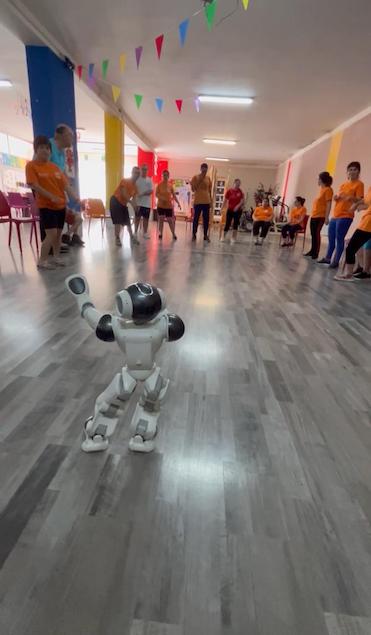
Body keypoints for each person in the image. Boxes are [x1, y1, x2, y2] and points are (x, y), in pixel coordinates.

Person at [26, 135, 80, 270]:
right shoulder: (31, 166)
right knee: (51, 235)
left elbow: (66, 186)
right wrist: (51, 196)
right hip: (46, 206)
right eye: (41, 148)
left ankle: (56, 258)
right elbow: (34, 186)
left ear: (50, 151)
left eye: (47, 148)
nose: (45, 151)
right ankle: (42, 261)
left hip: (60, 206)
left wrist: (76, 198)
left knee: (58, 235)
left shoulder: (55, 168)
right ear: (36, 150)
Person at [318, 162, 364, 268]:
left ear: (358, 172)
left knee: (339, 238)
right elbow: (340, 197)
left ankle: (336, 261)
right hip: (336, 214)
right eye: (350, 169)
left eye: (355, 169)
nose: (352, 171)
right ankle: (328, 258)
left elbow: (360, 200)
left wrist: (351, 198)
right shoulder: (344, 184)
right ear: (347, 172)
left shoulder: (359, 184)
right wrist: (336, 198)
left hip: (346, 215)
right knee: (331, 237)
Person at [334, 187, 371, 281]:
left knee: (351, 248)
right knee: (353, 247)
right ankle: (358, 271)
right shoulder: (370, 189)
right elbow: (366, 203)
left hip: (368, 224)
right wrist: (357, 205)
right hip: (366, 222)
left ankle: (348, 275)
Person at [304, 172, 333, 260]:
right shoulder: (321, 189)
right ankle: (312, 250)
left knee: (316, 234)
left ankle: (316, 253)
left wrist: (327, 217)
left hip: (320, 216)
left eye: (318, 178)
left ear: (322, 179)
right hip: (314, 215)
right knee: (313, 234)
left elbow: (329, 204)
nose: (317, 180)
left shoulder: (328, 189)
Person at [110, 167, 140, 246]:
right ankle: (117, 239)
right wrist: (130, 202)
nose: (137, 175)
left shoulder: (136, 187)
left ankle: (132, 238)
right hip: (115, 201)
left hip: (123, 204)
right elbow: (124, 194)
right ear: (132, 173)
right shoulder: (125, 181)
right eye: (135, 172)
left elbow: (134, 199)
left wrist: (135, 208)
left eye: (138, 173)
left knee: (127, 221)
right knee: (118, 221)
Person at [155, 169, 181, 240]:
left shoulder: (170, 185)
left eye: (167, 175)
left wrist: (178, 203)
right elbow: (156, 194)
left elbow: (174, 195)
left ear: (168, 176)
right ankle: (160, 233)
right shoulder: (159, 185)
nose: (165, 176)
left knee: (170, 220)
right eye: (164, 175)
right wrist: (162, 198)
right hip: (161, 205)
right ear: (162, 176)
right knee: (161, 219)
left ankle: (173, 233)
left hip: (168, 206)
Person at [191, 163, 212, 243]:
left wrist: (211, 201)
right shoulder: (195, 177)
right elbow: (193, 189)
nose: (204, 170)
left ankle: (205, 235)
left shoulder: (208, 178)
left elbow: (209, 191)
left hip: (206, 201)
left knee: (206, 219)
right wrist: (200, 178)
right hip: (198, 201)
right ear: (200, 169)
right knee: (196, 218)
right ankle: (194, 234)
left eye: (206, 168)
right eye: (203, 168)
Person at [220, 178, 245, 244]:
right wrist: (222, 208)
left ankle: (233, 238)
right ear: (234, 183)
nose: (238, 185)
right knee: (227, 223)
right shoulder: (229, 191)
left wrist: (237, 206)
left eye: (239, 184)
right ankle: (223, 236)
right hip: (230, 210)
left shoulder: (240, 192)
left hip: (238, 211)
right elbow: (225, 200)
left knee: (235, 224)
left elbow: (242, 201)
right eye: (237, 184)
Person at [135, 164, 153, 239]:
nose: (144, 171)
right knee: (137, 218)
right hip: (138, 203)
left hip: (146, 204)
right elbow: (134, 189)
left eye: (145, 169)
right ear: (141, 170)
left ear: (147, 171)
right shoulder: (137, 179)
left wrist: (142, 194)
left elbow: (151, 191)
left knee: (146, 219)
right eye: (143, 169)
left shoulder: (149, 180)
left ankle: (145, 233)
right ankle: (135, 232)